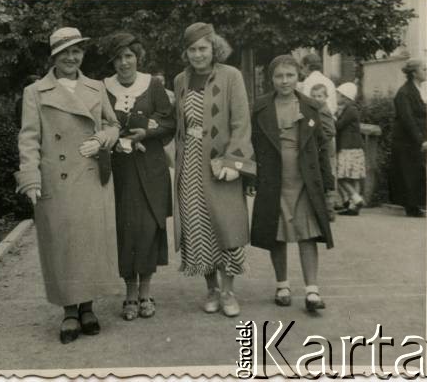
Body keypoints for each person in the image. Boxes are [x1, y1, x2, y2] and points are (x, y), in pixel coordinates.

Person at [15, 27, 120, 344]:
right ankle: (69, 312)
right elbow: (29, 139)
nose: (72, 58)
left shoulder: (96, 87)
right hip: (56, 181)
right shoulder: (36, 92)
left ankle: (88, 308)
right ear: (54, 58)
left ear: (83, 54)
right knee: (62, 245)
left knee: (89, 243)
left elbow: (114, 125)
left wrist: (102, 139)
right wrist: (30, 176)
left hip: (90, 177)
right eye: (65, 53)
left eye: (77, 51)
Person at [173, 23, 255, 317]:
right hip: (189, 164)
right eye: (192, 49)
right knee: (197, 227)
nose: (198, 55)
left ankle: (229, 292)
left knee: (226, 226)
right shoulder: (180, 80)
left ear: (214, 48)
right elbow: (179, 125)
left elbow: (241, 123)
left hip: (220, 164)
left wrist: (235, 162)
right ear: (186, 52)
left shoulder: (231, 76)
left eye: (203, 49)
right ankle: (211, 289)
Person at [248, 55, 334, 312]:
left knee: (307, 233)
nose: (285, 81)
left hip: (305, 179)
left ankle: (312, 290)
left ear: (298, 77)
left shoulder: (310, 106)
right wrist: (251, 177)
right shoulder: (261, 107)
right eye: (279, 76)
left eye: (290, 75)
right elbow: (252, 144)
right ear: (271, 79)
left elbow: (322, 149)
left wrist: (329, 186)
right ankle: (282, 284)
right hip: (274, 178)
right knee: (278, 233)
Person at [103, 32, 175, 321]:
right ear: (113, 61)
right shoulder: (103, 88)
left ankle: (145, 292)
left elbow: (169, 122)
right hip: (119, 171)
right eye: (119, 57)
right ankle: (129, 294)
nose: (124, 63)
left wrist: (148, 132)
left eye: (129, 56)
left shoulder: (153, 85)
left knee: (147, 229)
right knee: (125, 230)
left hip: (150, 169)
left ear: (137, 57)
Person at [390, 59, 427, 217]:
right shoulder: (404, 92)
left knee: (416, 170)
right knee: (408, 172)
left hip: (417, 138)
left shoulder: (420, 89)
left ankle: (417, 204)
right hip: (406, 140)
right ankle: (411, 206)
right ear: (414, 73)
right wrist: (420, 139)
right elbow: (407, 119)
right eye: (424, 69)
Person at [335, 82, 366, 216]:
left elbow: (338, 126)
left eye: (339, 94)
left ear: (345, 97)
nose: (336, 96)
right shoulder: (351, 109)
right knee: (354, 178)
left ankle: (356, 198)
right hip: (355, 147)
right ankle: (353, 206)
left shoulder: (350, 110)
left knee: (341, 177)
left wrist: (332, 117)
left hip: (348, 147)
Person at [310, 83, 337, 221]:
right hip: (320, 148)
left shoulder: (323, 111)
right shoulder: (314, 109)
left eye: (319, 96)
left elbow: (330, 131)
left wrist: (320, 140)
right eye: (313, 96)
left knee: (327, 176)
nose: (316, 98)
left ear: (326, 97)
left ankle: (329, 210)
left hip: (325, 148)